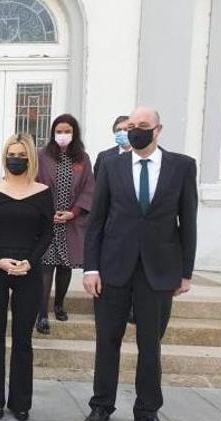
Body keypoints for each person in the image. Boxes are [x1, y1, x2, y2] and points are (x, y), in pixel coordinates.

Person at [83, 107, 198, 421]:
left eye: (142, 126)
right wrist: (91, 267)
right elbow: (97, 221)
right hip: (112, 268)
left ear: (158, 130)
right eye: (131, 126)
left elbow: (187, 222)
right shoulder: (111, 165)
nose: (135, 131)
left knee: (151, 344)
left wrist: (186, 272)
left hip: (159, 270)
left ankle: (147, 409)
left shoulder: (181, 167)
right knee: (108, 340)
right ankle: (101, 404)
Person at [0, 133, 53, 421]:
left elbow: (47, 233)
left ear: (30, 157)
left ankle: (21, 402)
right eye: (11, 153)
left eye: (21, 154)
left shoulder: (43, 192)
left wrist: (29, 262)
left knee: (23, 339)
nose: (15, 159)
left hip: (29, 271)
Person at [35, 114, 95, 334]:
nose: (62, 135)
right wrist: (45, 211)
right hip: (47, 220)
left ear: (74, 133)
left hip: (71, 221)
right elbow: (35, 183)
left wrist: (74, 212)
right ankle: (41, 314)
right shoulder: (43, 156)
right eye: (58, 131)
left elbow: (90, 188)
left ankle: (59, 304)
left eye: (66, 131)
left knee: (64, 266)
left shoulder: (82, 158)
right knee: (46, 266)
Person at [94, 115, 136, 325]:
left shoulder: (143, 157)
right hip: (111, 222)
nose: (123, 133)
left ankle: (132, 307)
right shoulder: (105, 158)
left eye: (126, 129)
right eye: (118, 130)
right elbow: (97, 191)